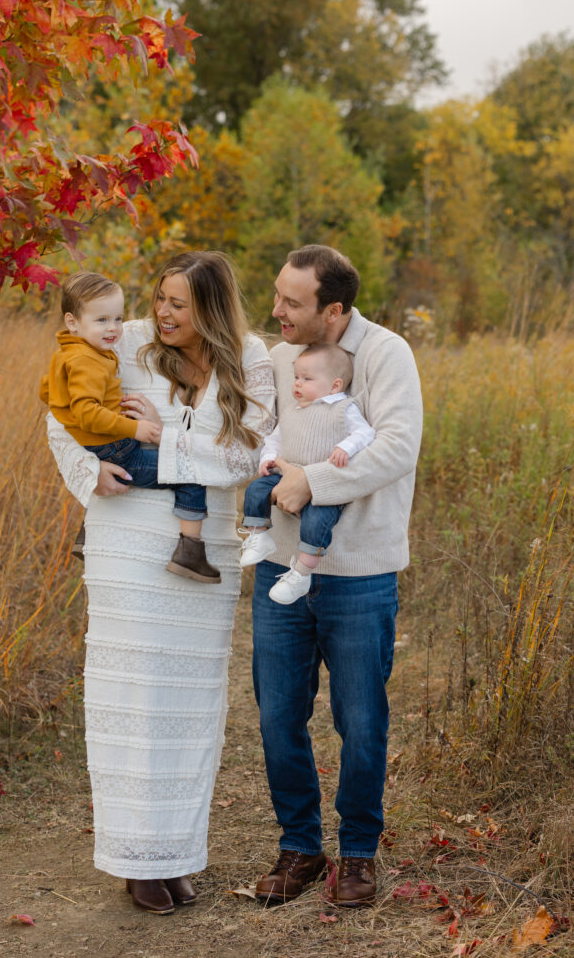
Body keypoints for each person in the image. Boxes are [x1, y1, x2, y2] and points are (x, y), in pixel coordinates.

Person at [44, 252, 275, 915]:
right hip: (125, 535)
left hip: (205, 550)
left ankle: (173, 855)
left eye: (180, 304)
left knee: (187, 705)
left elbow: (243, 454)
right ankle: (135, 859)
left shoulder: (249, 359)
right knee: (131, 697)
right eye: (162, 299)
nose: (164, 313)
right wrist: (90, 475)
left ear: (211, 307)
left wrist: (161, 435)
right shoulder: (129, 340)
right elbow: (63, 411)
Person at [251, 244, 422, 907]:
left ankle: (356, 855)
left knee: (360, 720)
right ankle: (298, 846)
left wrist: (310, 482)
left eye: (291, 303)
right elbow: (253, 433)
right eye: (275, 297)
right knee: (277, 718)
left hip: (359, 573)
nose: (277, 312)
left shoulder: (384, 355)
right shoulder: (275, 358)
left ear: (335, 310)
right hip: (279, 569)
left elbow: (396, 447)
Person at [40, 271, 221, 583]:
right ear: (72, 322)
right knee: (189, 473)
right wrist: (132, 429)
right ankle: (190, 552)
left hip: (94, 444)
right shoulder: (88, 361)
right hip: (117, 446)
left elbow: (48, 392)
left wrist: (73, 415)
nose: (112, 329)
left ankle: (88, 533)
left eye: (118, 319)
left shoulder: (70, 353)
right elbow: (86, 412)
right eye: (101, 321)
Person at [239, 343, 375, 604]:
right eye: (296, 378)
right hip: (286, 476)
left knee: (316, 521)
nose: (297, 385)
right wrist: (268, 458)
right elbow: (274, 440)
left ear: (334, 386)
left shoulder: (343, 408)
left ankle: (301, 573)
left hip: (325, 484)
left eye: (307, 379)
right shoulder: (293, 411)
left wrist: (345, 447)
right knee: (256, 489)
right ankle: (258, 535)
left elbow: (365, 433)